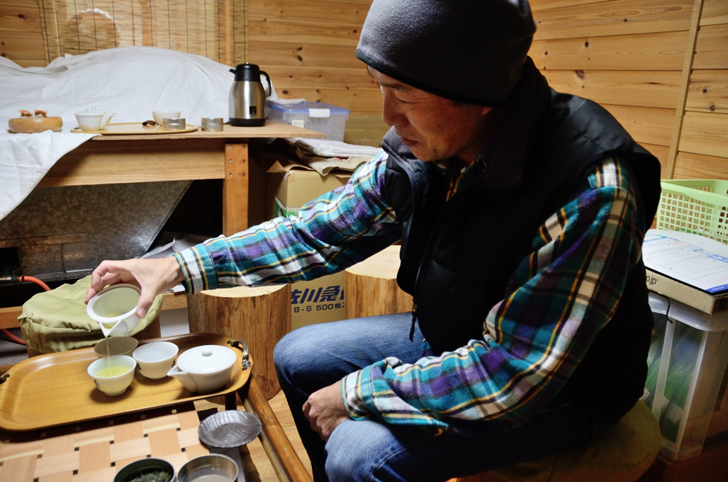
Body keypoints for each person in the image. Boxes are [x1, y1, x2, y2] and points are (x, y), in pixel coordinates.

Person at [86, 1, 662, 480]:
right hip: (465, 338)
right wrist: (178, 267)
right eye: (379, 86)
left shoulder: (590, 191)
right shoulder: (426, 152)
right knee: (297, 355)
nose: (387, 115)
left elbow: (511, 375)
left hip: (563, 388)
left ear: (482, 93)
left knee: (360, 454)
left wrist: (359, 393)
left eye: (404, 94)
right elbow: (315, 231)